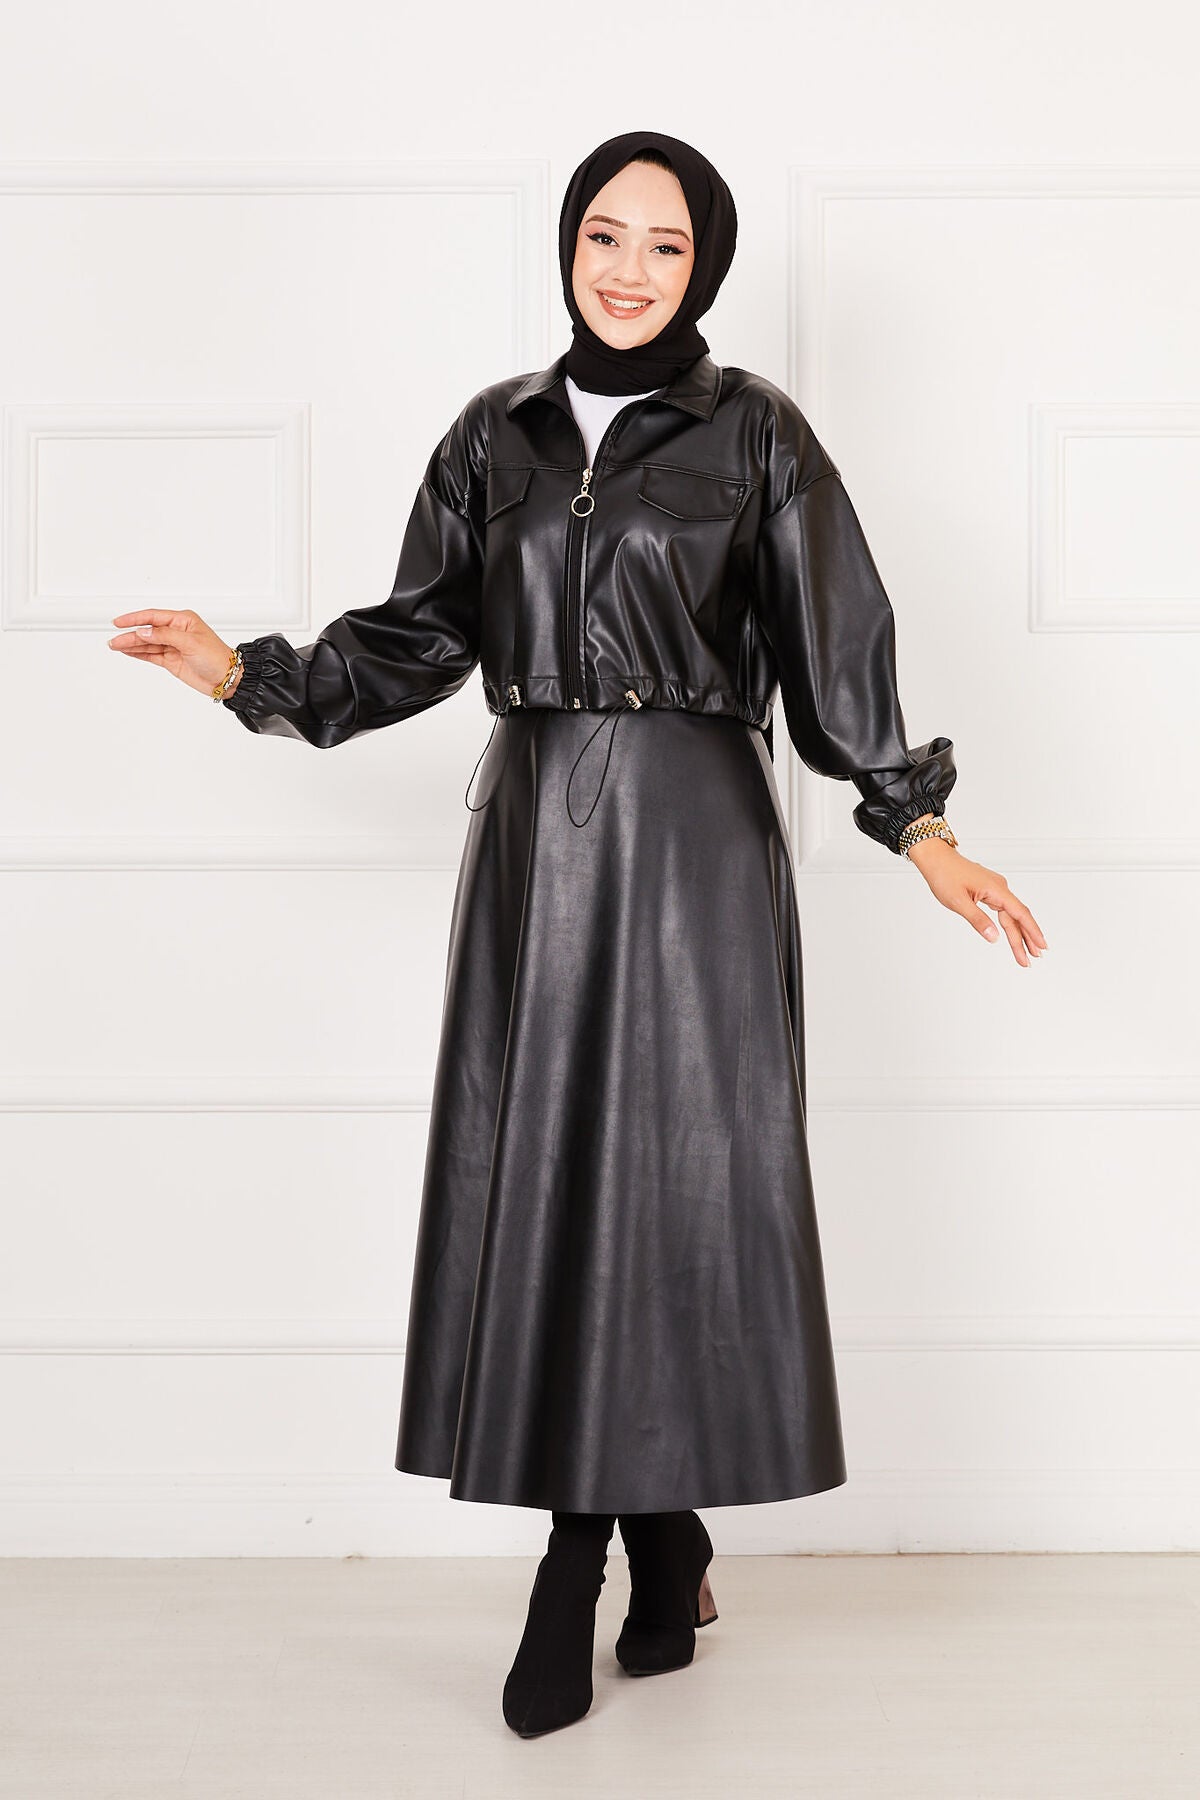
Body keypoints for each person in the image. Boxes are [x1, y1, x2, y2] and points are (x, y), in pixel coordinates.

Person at [107, 130, 1047, 1739]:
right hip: (534, 838)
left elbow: (840, 652)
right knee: (551, 1188)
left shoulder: (760, 435)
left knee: (667, 1191)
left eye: (664, 246)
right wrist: (246, 675)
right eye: (604, 235)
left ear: (706, 267)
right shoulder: (500, 435)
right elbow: (418, 637)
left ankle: (576, 1562)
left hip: (694, 846)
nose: (627, 269)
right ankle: (662, 1544)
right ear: (567, 245)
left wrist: (924, 830)